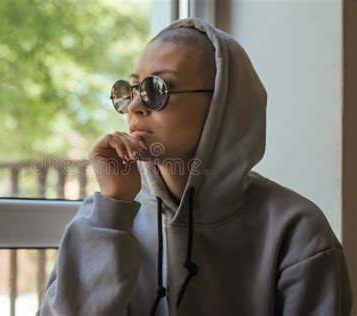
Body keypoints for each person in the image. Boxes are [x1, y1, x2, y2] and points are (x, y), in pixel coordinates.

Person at [36, 17, 353, 316]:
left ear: (222, 103)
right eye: (130, 90)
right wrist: (114, 209)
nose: (133, 107)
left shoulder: (296, 231)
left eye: (157, 89)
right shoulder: (105, 214)